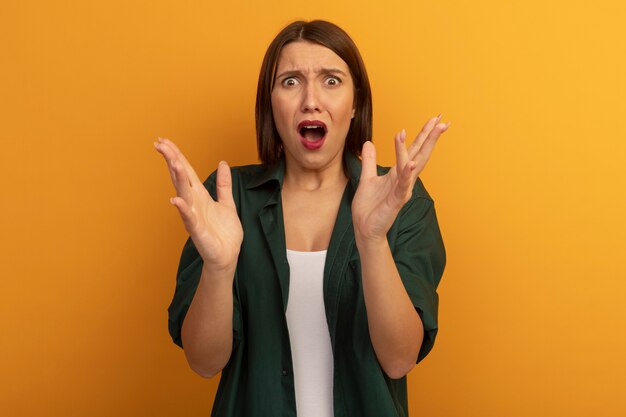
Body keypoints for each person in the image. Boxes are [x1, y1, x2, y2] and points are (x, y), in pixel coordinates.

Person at [155, 19, 449, 417]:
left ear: (355, 101)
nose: (311, 99)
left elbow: (399, 360)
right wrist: (219, 268)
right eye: (290, 81)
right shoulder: (228, 198)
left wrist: (373, 239)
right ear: (270, 103)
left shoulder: (402, 200)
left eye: (331, 80)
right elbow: (204, 362)